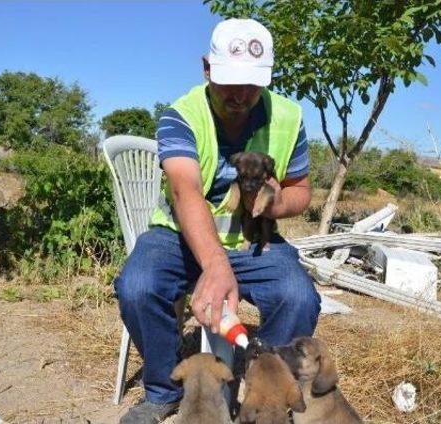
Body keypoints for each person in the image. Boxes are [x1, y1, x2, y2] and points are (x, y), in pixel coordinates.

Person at [115, 18, 321, 424]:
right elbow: (184, 191)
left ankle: (266, 386)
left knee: (299, 298)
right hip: (178, 236)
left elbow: (302, 192)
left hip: (252, 239)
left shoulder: (288, 116)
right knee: (137, 286)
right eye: (229, 81)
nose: (241, 95)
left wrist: (274, 204)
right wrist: (215, 263)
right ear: (208, 68)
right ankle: (164, 389)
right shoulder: (181, 115)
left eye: (252, 83)